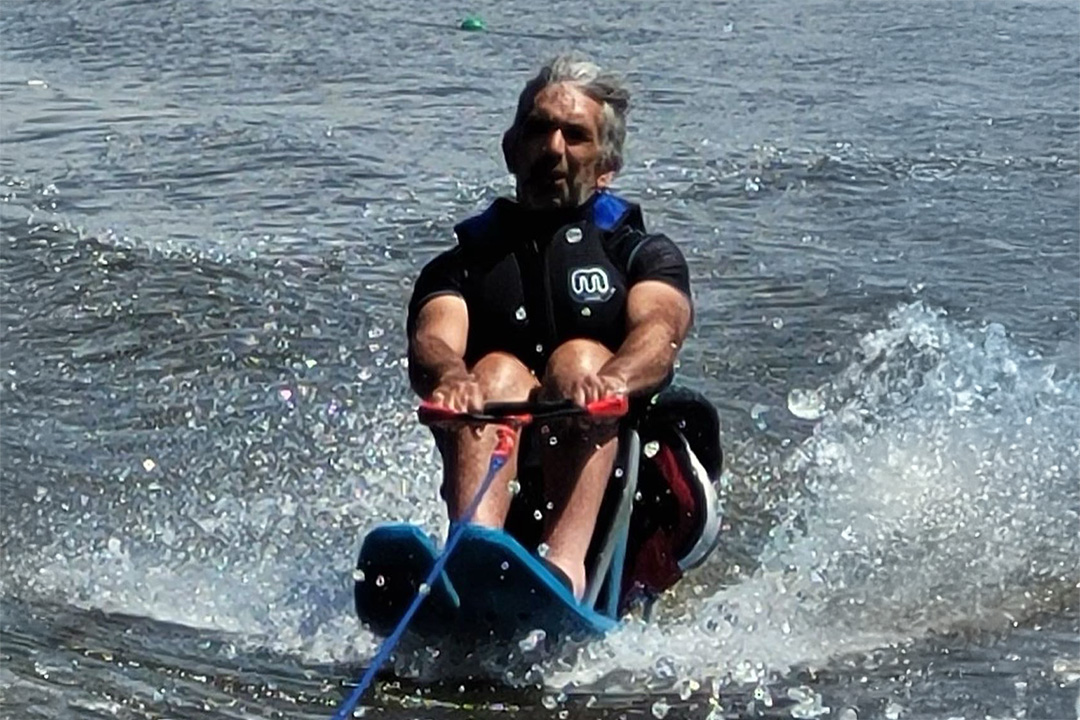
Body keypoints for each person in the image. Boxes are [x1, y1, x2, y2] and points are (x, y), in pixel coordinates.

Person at [406, 53, 695, 601]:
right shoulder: (460, 266)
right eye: (539, 129)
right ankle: (473, 550)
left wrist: (613, 379)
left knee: (578, 360)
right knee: (493, 372)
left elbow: (660, 332)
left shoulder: (641, 255)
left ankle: (565, 569)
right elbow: (434, 337)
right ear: (511, 149)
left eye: (575, 135)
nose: (554, 147)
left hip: (618, 481)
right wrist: (450, 377)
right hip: (505, 447)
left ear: (606, 165)